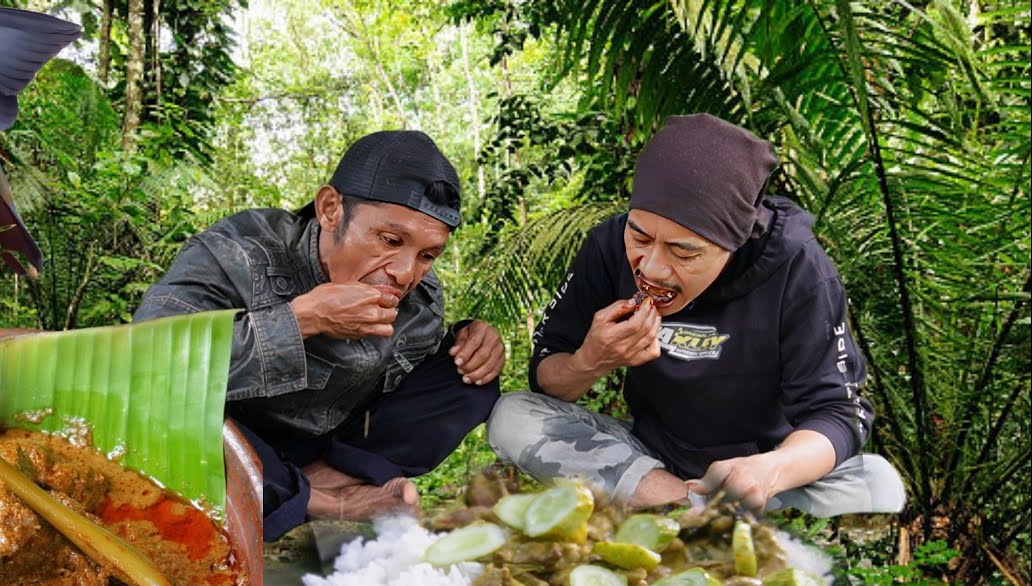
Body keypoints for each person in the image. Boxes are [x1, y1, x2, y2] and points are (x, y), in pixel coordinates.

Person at [487, 114, 905, 516]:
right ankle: (681, 505)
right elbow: (548, 379)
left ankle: (720, 506)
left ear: (736, 240)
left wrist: (767, 471)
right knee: (511, 417)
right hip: (652, 456)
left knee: (879, 482)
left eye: (683, 251)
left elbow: (838, 412)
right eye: (640, 236)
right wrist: (591, 360)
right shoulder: (607, 247)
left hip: (765, 467)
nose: (651, 268)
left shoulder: (798, 268)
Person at [135, 130, 505, 541]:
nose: (405, 272)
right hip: (230, 433)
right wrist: (301, 320)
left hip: (321, 443)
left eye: (427, 255)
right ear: (331, 210)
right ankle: (316, 499)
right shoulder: (241, 251)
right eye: (390, 240)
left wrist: (473, 342)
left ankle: (323, 479)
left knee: (469, 379)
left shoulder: (420, 304)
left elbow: (413, 399)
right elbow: (148, 361)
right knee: (167, 410)